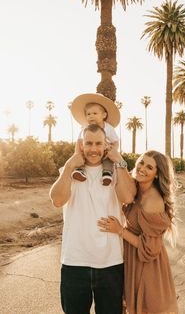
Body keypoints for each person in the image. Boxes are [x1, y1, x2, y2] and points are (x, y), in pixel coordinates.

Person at [49, 124, 136, 314]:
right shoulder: (70, 170)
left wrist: (119, 160)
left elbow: (128, 197)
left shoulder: (115, 170)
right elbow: (57, 199)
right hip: (74, 262)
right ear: (81, 144)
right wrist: (70, 164)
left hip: (110, 262)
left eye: (98, 143)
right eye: (89, 143)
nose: (94, 149)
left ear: (106, 145)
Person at [98, 150, 179, 314]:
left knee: (146, 307)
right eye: (141, 162)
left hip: (147, 266)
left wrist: (120, 231)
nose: (142, 168)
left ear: (157, 174)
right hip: (131, 258)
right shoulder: (134, 185)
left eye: (150, 167)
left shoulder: (152, 200)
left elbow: (151, 248)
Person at [70, 93, 120, 186]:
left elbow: (115, 141)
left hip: (105, 151)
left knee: (108, 161)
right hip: (88, 151)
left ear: (104, 115)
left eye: (94, 113)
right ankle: (80, 170)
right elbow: (79, 141)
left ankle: (107, 174)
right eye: (88, 114)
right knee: (81, 157)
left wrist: (113, 151)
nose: (91, 116)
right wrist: (77, 153)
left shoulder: (108, 128)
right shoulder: (85, 128)